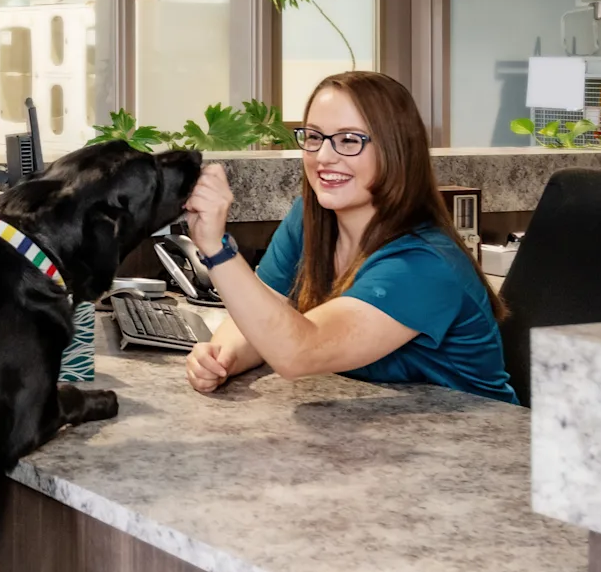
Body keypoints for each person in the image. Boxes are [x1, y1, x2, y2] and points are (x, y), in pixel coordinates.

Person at [182, 71, 517, 404]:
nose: (324, 157)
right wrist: (221, 358)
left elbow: (299, 352)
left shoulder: (424, 264)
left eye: (349, 140)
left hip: (470, 444)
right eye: (314, 137)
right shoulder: (311, 219)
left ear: (396, 150)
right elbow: (263, 311)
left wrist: (216, 247)